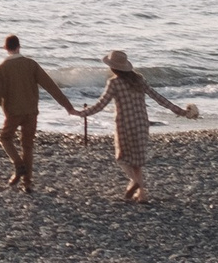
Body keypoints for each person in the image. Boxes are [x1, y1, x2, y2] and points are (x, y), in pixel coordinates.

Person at [70, 49, 199, 201]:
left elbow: (101, 104)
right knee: (137, 161)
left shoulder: (114, 83)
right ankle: (142, 194)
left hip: (124, 125)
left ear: (113, 67)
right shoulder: (139, 80)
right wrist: (181, 112)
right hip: (142, 123)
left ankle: (135, 182)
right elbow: (159, 98)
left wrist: (81, 113)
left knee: (122, 158)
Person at [0, 34, 77, 193]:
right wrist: (67, 106)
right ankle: (27, 183)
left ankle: (18, 164)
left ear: (6, 48)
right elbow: (50, 86)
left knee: (5, 138)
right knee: (27, 146)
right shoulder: (31, 64)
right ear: (19, 47)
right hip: (31, 112)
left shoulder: (2, 69)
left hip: (13, 113)